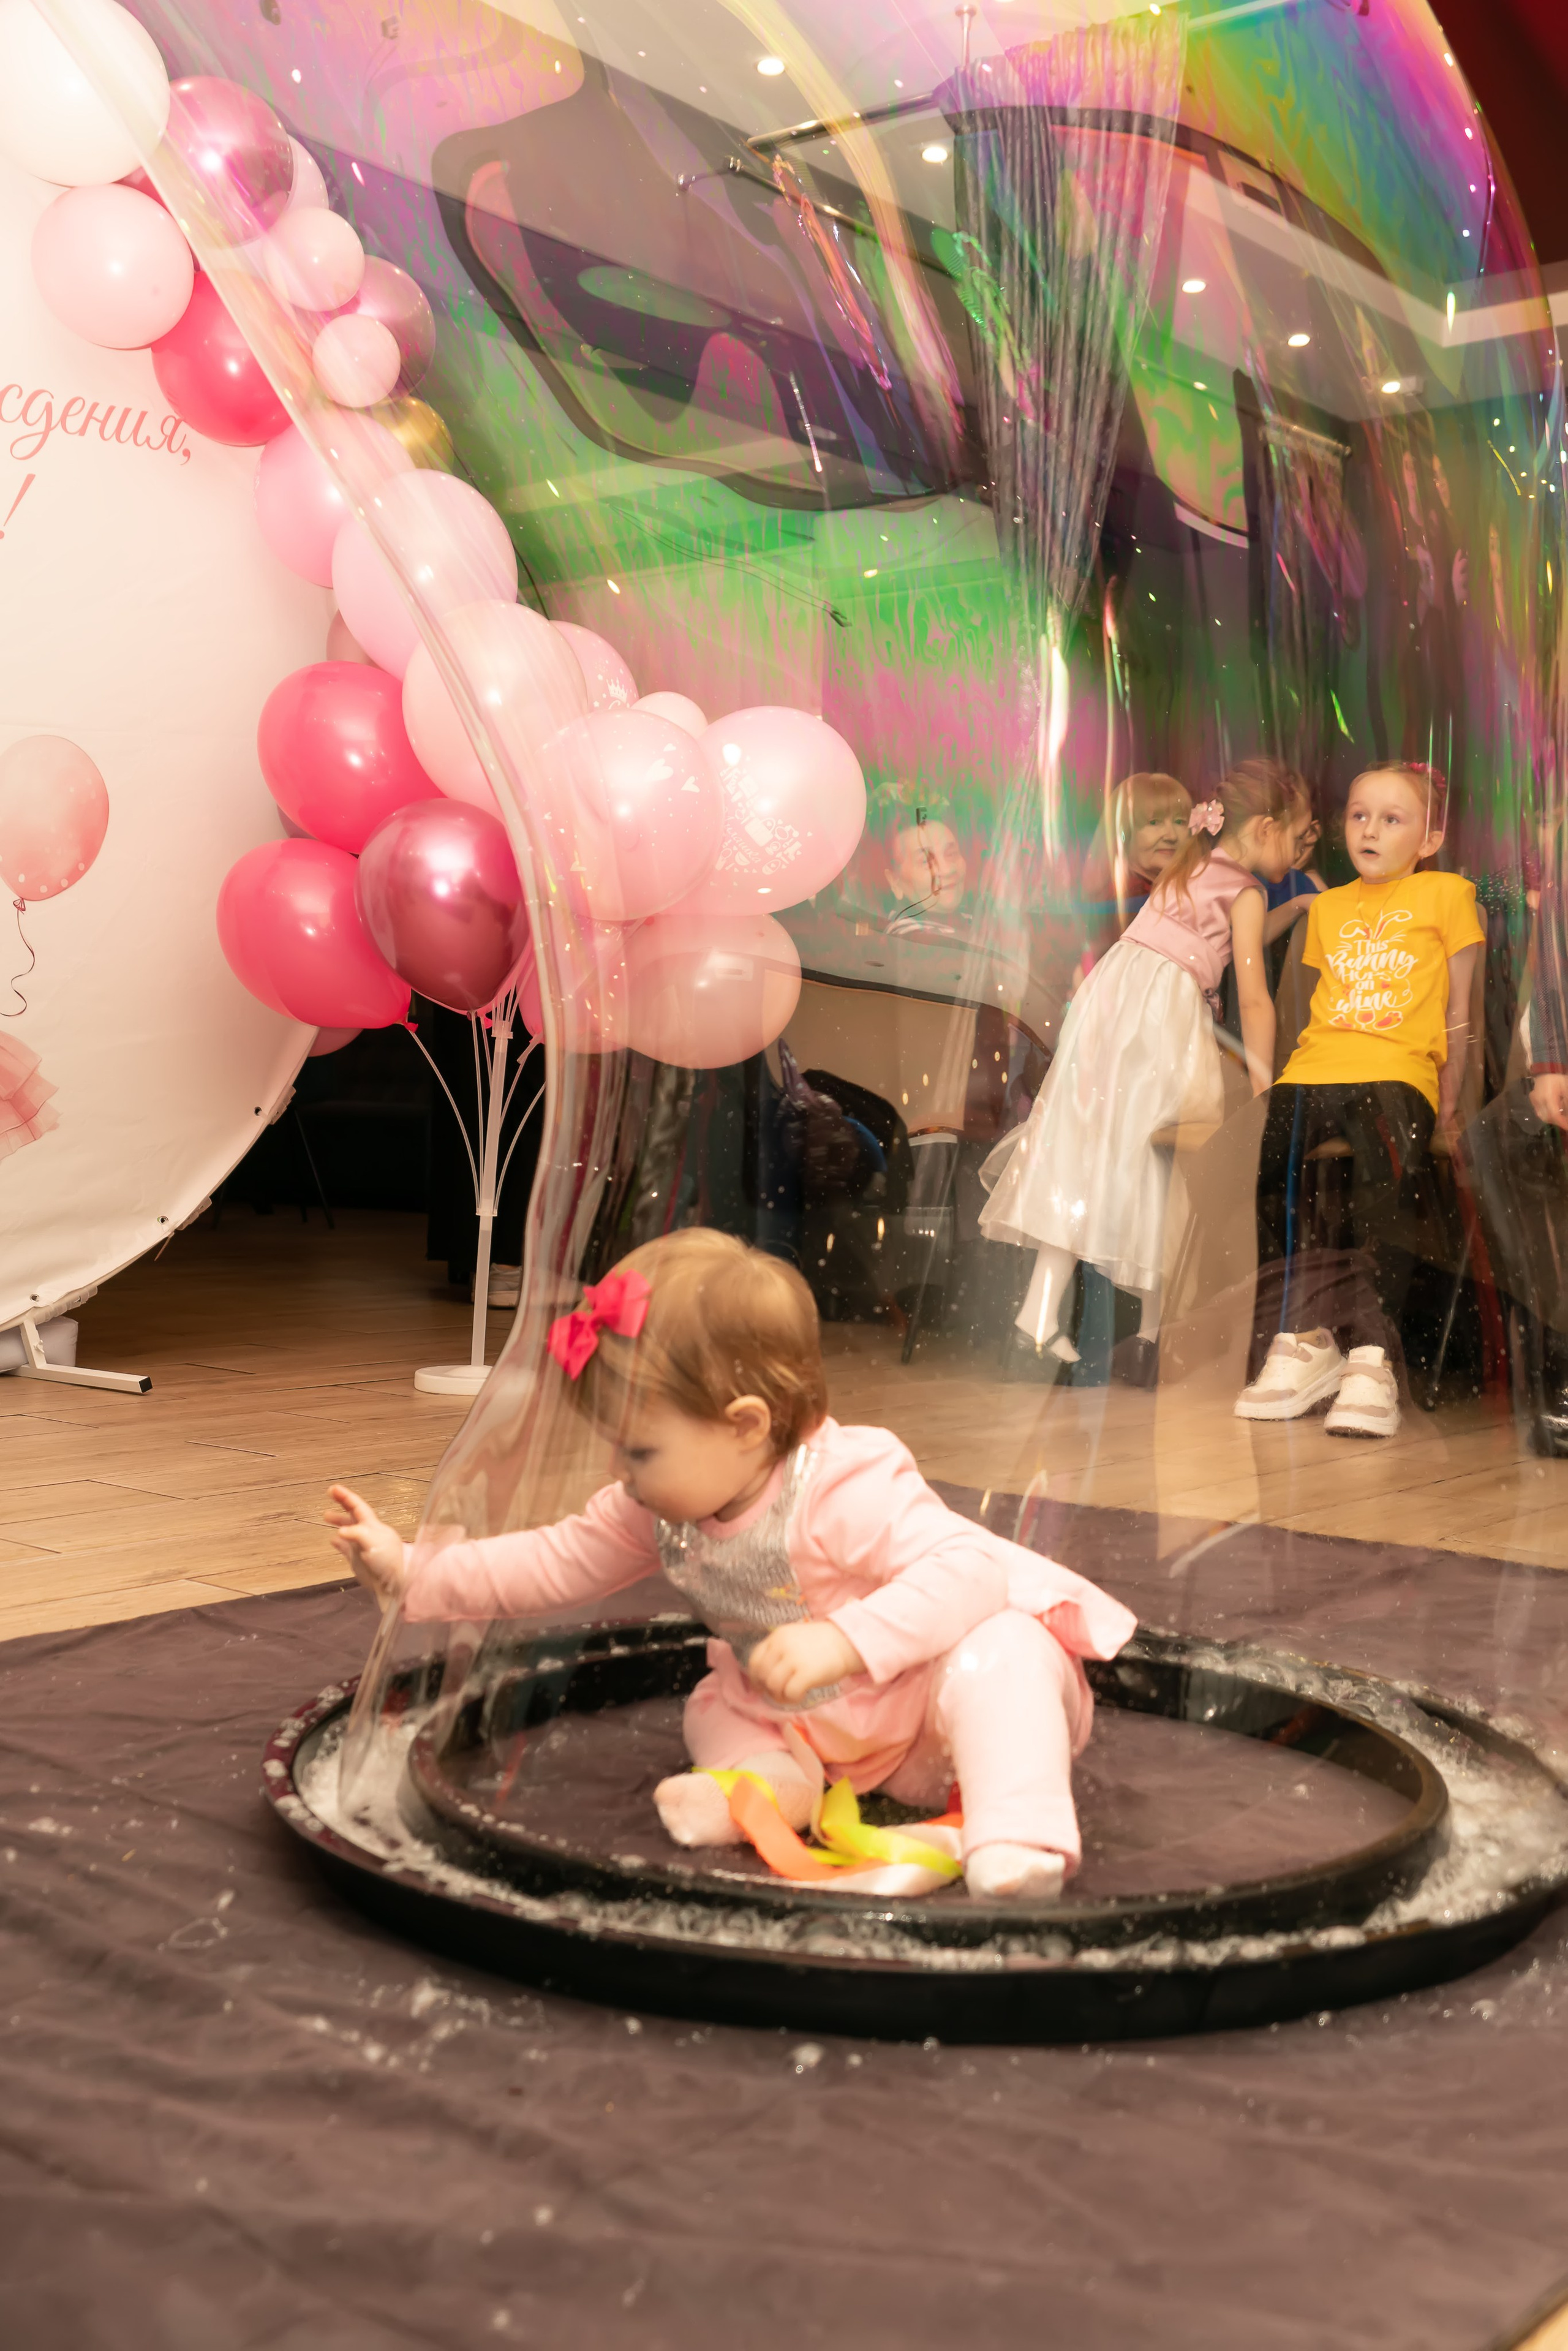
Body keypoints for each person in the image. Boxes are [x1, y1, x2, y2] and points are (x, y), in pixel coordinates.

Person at [326, 1229, 1136, 1903]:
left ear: (746, 1425)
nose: (618, 1470)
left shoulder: (842, 1482)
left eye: (639, 1449)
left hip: (931, 1722)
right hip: (813, 1727)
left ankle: (1018, 1832)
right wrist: (414, 1572)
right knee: (716, 1701)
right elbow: (554, 1560)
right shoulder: (660, 1504)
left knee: (1006, 1653)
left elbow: (970, 1570)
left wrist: (845, 1641)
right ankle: (770, 1785)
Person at [979, 759, 1314, 1386]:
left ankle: (1039, 1313)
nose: (1299, 853)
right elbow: (1252, 995)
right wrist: (1264, 1081)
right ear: (1267, 829)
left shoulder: (1189, 864)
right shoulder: (1243, 891)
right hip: (1162, 1021)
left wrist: (1290, 908)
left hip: (1110, 1009)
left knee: (1091, 1153)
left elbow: (1226, 937)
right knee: (1166, 1163)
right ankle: (1156, 1332)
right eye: (1297, 837)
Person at [1235, 761, 1484, 1440]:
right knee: (1269, 1175)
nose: (1369, 830)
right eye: (1358, 815)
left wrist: (1452, 1098)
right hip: (1313, 1069)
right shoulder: (1329, 907)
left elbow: (1462, 1013)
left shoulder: (1448, 894)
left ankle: (1373, 1355)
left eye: (1391, 819)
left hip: (1397, 1071)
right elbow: (1314, 1006)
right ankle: (1301, 1339)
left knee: (1384, 1185)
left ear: (1429, 838)